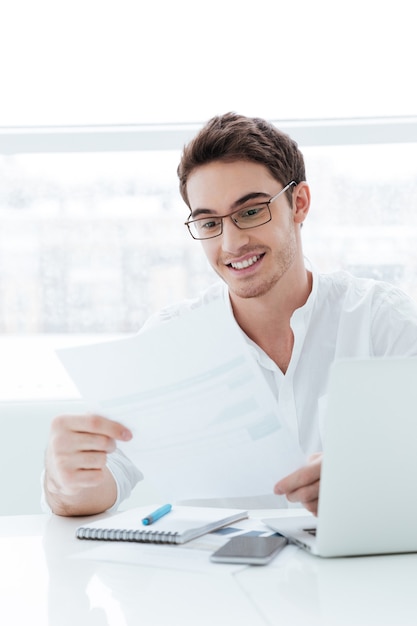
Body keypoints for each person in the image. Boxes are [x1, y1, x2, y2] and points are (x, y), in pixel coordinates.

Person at [44, 112, 417, 517]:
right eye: (208, 222)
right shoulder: (172, 341)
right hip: (217, 578)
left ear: (300, 203)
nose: (232, 242)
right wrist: (63, 480)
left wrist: (372, 480)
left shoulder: (382, 323)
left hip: (355, 575)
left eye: (252, 211)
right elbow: (100, 483)